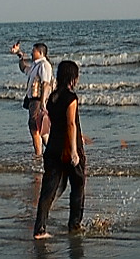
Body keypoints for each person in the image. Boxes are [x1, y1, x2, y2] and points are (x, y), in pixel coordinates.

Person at [33, 60, 89, 239]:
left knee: (48, 190)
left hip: (53, 148)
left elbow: (58, 123)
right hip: (68, 148)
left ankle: (40, 229)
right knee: (78, 186)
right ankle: (74, 225)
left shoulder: (53, 97)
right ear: (72, 78)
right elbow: (71, 124)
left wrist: (79, 135)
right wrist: (74, 151)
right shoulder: (71, 98)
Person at [11, 42, 55, 150]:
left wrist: (43, 102)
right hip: (33, 100)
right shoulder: (36, 65)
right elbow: (24, 68)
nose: (31, 53)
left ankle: (38, 154)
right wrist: (20, 55)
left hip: (37, 100)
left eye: (33, 51)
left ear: (41, 53)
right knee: (40, 129)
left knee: (34, 128)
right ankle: (51, 151)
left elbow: (45, 83)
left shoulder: (44, 65)